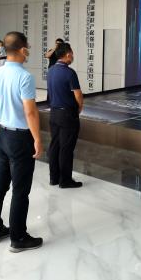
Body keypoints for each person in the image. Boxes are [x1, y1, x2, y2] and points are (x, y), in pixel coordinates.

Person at [0, 31, 43, 252]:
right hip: (20, 138)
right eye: (27, 46)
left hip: (2, 134)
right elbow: (30, 112)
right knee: (20, 189)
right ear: (22, 49)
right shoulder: (25, 76)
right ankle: (18, 238)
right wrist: (37, 139)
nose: (28, 50)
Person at [46, 42, 84, 188]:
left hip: (54, 113)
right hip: (67, 114)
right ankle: (65, 180)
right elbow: (78, 95)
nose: (73, 56)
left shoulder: (51, 70)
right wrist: (79, 108)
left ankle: (54, 178)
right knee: (66, 148)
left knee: (55, 145)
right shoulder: (69, 73)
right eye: (72, 54)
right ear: (68, 54)